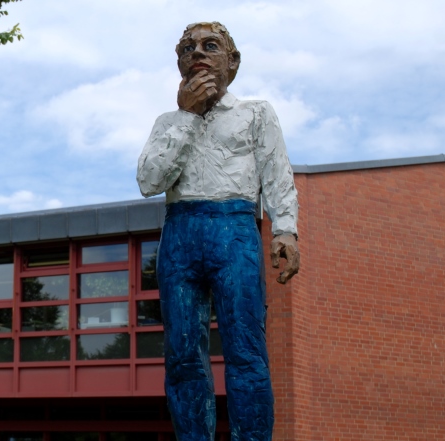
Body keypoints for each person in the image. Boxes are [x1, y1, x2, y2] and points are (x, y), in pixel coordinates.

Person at [136, 22, 301, 441]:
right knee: (183, 355)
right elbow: (149, 181)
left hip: (235, 230)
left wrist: (286, 229)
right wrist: (187, 116)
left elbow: (277, 174)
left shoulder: (256, 114)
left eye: (211, 46)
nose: (198, 54)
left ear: (233, 61)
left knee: (246, 351)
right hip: (180, 234)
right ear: (179, 63)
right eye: (187, 48)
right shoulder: (167, 122)